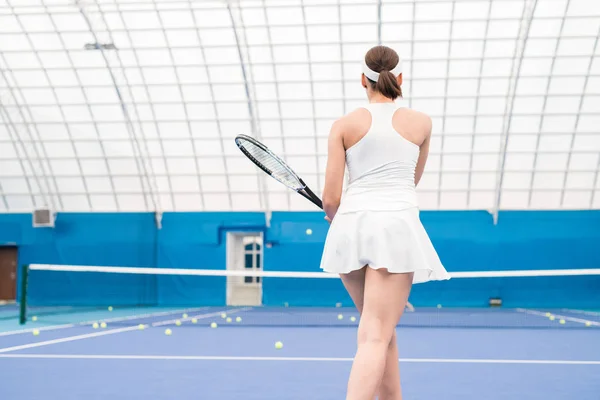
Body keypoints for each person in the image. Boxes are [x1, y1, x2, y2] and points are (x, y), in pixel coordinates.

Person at [320, 45, 450, 400]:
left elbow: (330, 200)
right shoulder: (421, 123)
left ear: (363, 79)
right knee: (376, 333)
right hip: (394, 228)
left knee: (379, 329)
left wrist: (336, 216)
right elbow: (411, 180)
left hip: (350, 229)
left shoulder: (343, 125)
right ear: (400, 78)